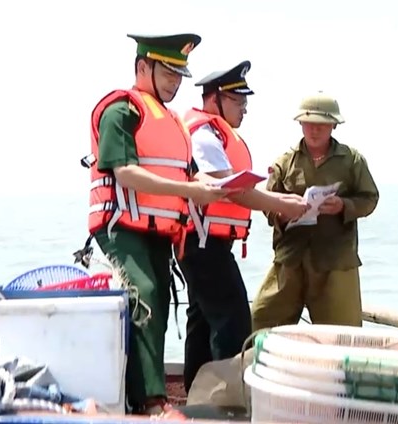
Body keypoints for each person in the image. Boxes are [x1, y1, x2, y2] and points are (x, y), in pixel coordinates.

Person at [78, 33, 238, 417]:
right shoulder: (122, 109)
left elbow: (188, 175)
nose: (174, 82)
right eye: (167, 72)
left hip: (159, 229)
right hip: (120, 225)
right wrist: (188, 188)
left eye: (179, 74)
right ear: (142, 67)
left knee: (161, 304)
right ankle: (151, 401)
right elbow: (126, 173)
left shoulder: (173, 123)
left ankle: (143, 396)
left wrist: (215, 187)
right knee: (144, 293)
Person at [179, 61, 309, 391]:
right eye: (238, 101)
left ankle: (198, 395)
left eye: (245, 102)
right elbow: (229, 188)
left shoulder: (213, 132)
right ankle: (227, 398)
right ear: (214, 100)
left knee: (203, 319)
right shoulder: (204, 134)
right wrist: (283, 204)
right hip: (203, 242)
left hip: (205, 241)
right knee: (233, 320)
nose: (244, 109)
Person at [250, 92, 379, 332]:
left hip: (335, 261)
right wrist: (282, 212)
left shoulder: (351, 161)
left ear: (333, 126)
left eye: (321, 125)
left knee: (343, 335)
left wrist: (343, 206)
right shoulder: (285, 162)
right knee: (261, 322)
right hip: (290, 259)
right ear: (300, 124)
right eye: (309, 124)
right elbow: (267, 204)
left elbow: (370, 198)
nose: (314, 130)